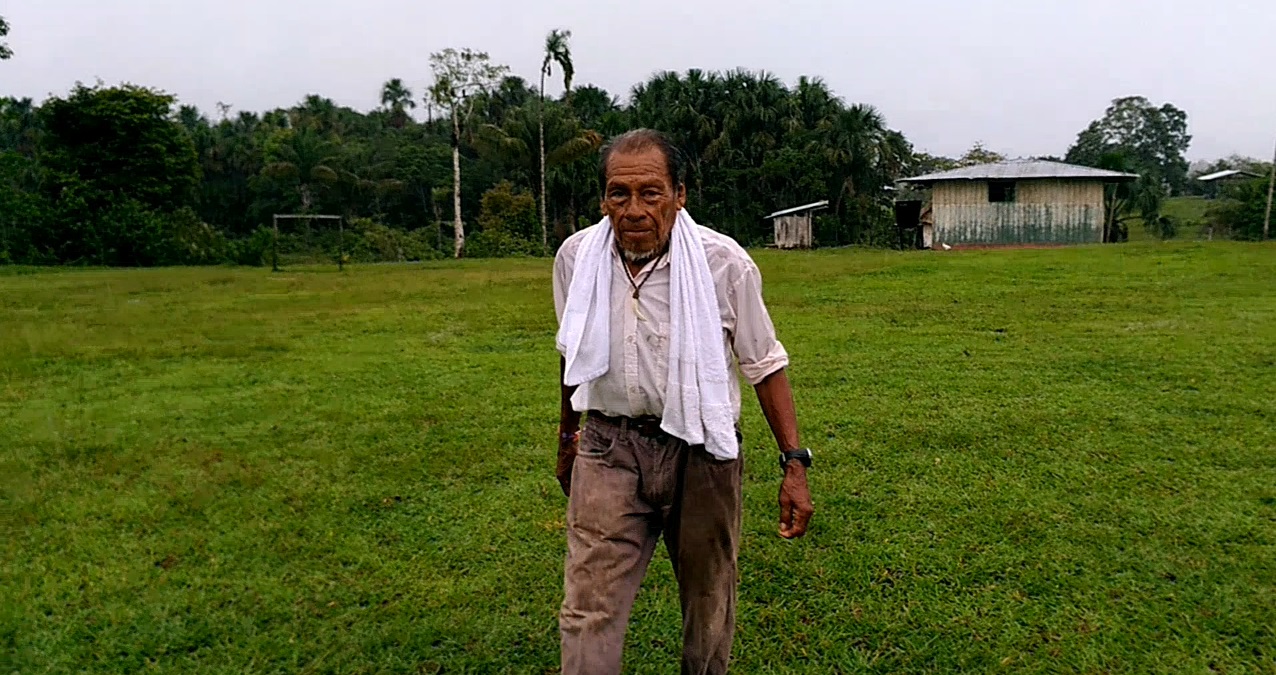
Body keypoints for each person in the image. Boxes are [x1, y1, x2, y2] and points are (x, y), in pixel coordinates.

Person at [552, 128, 814, 675]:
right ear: (603, 199)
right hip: (608, 446)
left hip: (702, 451)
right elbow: (570, 354)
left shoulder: (724, 264)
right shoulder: (577, 258)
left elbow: (764, 364)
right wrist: (567, 437)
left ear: (679, 195)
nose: (634, 210)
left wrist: (794, 463)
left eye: (651, 193)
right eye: (618, 194)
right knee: (588, 607)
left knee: (707, 600)